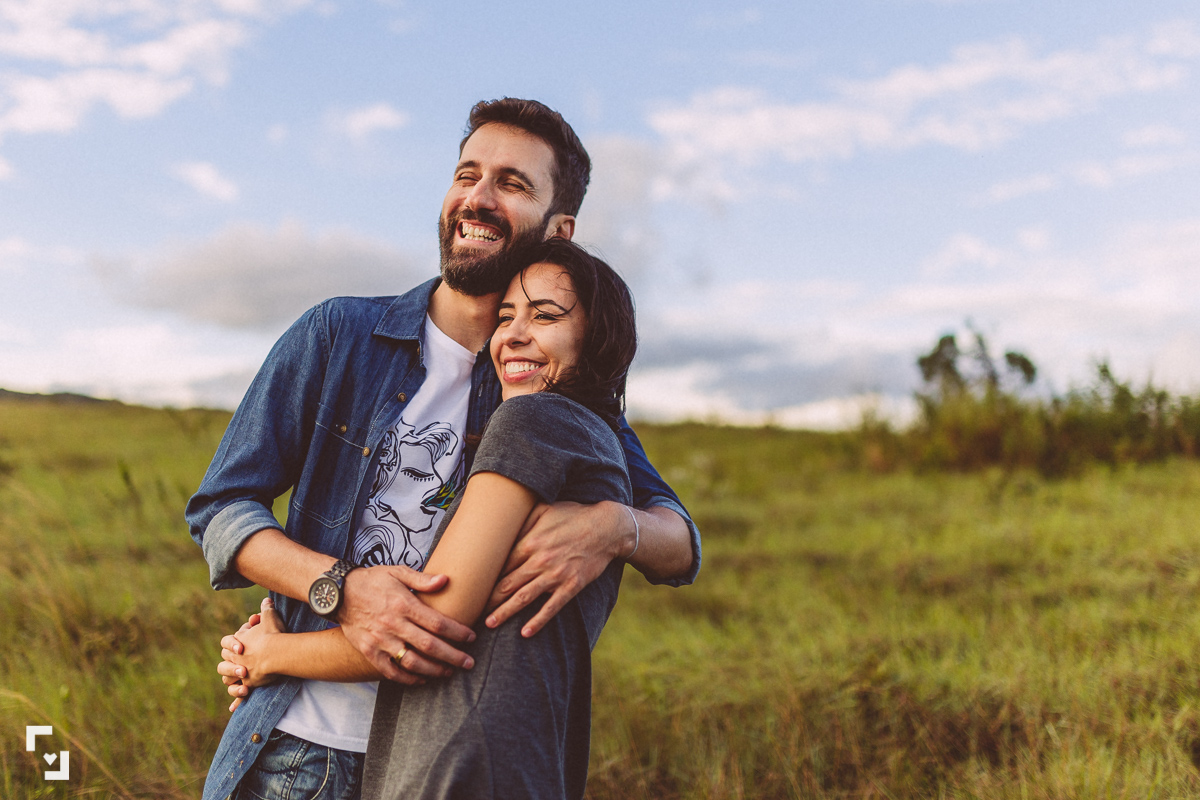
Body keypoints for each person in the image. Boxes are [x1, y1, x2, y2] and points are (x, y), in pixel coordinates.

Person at [186, 98, 701, 800]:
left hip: (436, 759)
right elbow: (221, 507)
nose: (478, 199)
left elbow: (681, 543)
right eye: (467, 174)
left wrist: (617, 527)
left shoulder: (546, 392)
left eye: (512, 184)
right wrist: (335, 587)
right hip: (299, 749)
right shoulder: (338, 335)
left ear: (561, 229)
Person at [220, 238, 641, 798]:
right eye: (507, 315)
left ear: (598, 337)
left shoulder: (530, 422)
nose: (513, 333)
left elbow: (427, 628)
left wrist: (272, 654)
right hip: (526, 758)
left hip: (462, 759)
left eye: (545, 316)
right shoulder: (601, 445)